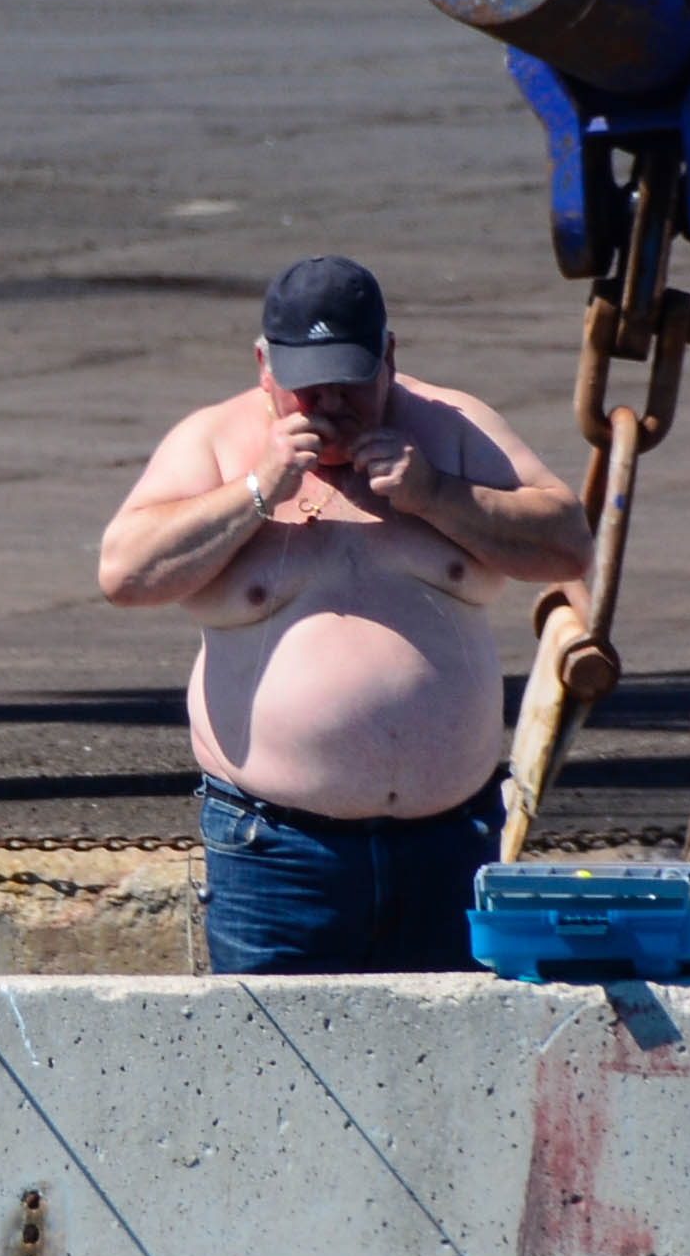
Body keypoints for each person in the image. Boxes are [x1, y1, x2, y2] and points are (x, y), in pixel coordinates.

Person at [98, 255, 592, 973]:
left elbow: (568, 544)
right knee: (272, 1044)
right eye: (307, 385)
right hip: (278, 853)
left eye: (351, 381)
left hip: (448, 844)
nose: (329, 402)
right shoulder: (214, 441)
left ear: (388, 358)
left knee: (448, 1042)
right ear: (265, 367)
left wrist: (436, 495)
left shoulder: (451, 428)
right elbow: (125, 573)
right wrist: (257, 491)